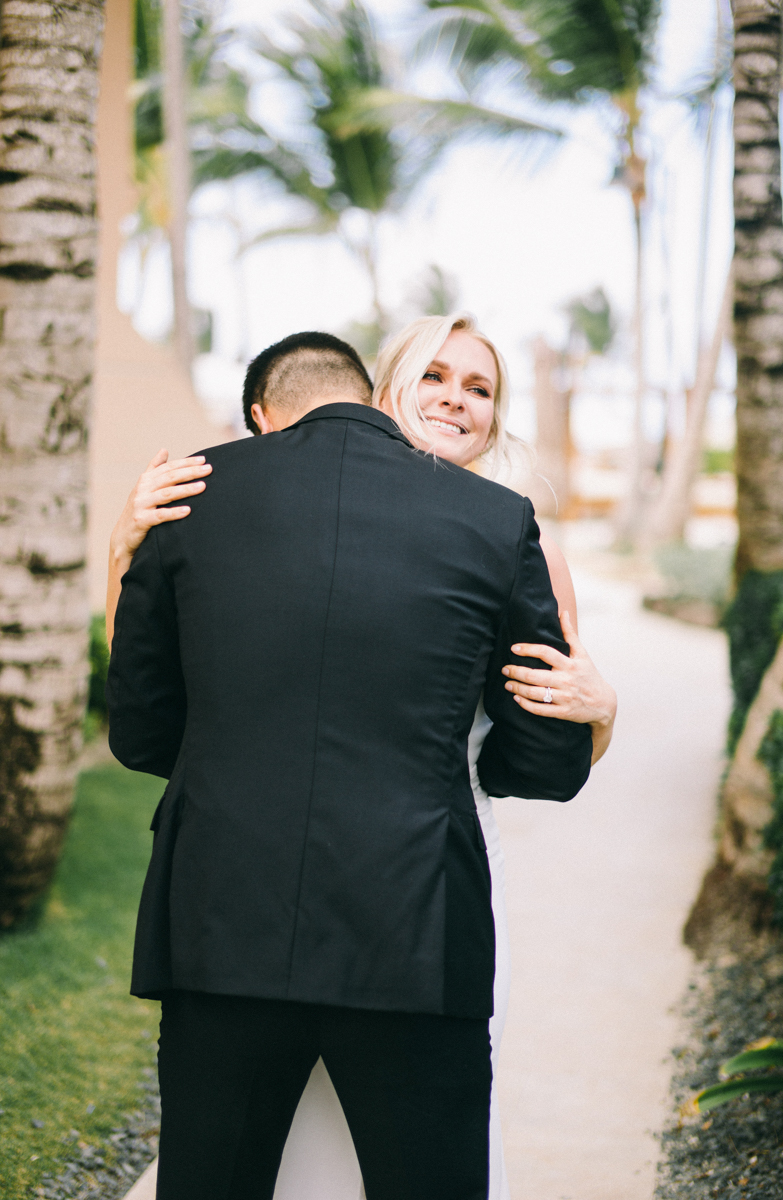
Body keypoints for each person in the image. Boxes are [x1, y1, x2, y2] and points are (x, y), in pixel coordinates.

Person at [106, 320, 615, 1200]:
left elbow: (143, 734)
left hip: (223, 927)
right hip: (416, 930)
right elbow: (538, 760)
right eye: (437, 378)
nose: (457, 399)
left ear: (268, 415)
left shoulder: (190, 496)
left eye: (479, 387)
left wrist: (126, 552)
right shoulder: (499, 525)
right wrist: (584, 726)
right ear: (380, 390)